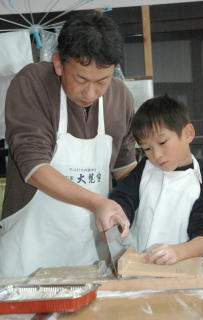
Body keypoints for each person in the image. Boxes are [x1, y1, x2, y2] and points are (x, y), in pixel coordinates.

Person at [0, 12, 137, 278]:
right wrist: (96, 202)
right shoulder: (33, 83)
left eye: (102, 81)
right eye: (81, 80)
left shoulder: (120, 97)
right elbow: (34, 166)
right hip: (29, 256)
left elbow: (125, 170)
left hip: (92, 256)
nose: (90, 93)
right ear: (59, 64)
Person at [109, 95, 203, 265]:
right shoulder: (144, 169)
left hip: (182, 271)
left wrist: (179, 252)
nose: (156, 155)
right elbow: (122, 199)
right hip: (137, 271)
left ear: (188, 134)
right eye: (147, 148)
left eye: (162, 142)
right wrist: (117, 217)